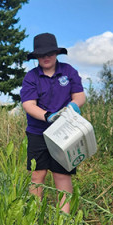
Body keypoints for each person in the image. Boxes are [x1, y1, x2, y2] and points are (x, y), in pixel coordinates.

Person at [20, 33, 86, 214]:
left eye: (49, 53)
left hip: (65, 132)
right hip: (37, 131)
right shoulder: (31, 77)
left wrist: (73, 106)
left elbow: (79, 95)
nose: (46, 57)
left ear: (56, 53)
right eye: (41, 54)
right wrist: (49, 116)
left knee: (62, 174)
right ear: (36, 57)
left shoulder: (68, 71)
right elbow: (28, 104)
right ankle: (34, 217)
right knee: (37, 174)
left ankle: (63, 221)